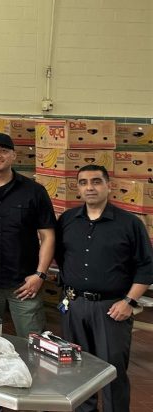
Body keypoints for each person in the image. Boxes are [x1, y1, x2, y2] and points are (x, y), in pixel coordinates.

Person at [55, 165, 153, 412]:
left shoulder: (129, 224)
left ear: (109, 185)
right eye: (84, 182)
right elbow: (60, 257)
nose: (90, 187)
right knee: (76, 369)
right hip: (74, 307)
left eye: (96, 181)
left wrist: (129, 302)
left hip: (112, 309)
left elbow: (146, 267)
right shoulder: (67, 220)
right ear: (77, 188)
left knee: (112, 371)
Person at [0, 133, 56, 336]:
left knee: (33, 341)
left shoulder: (34, 191)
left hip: (25, 283)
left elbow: (48, 236)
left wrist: (40, 274)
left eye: (3, 151)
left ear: (13, 155)